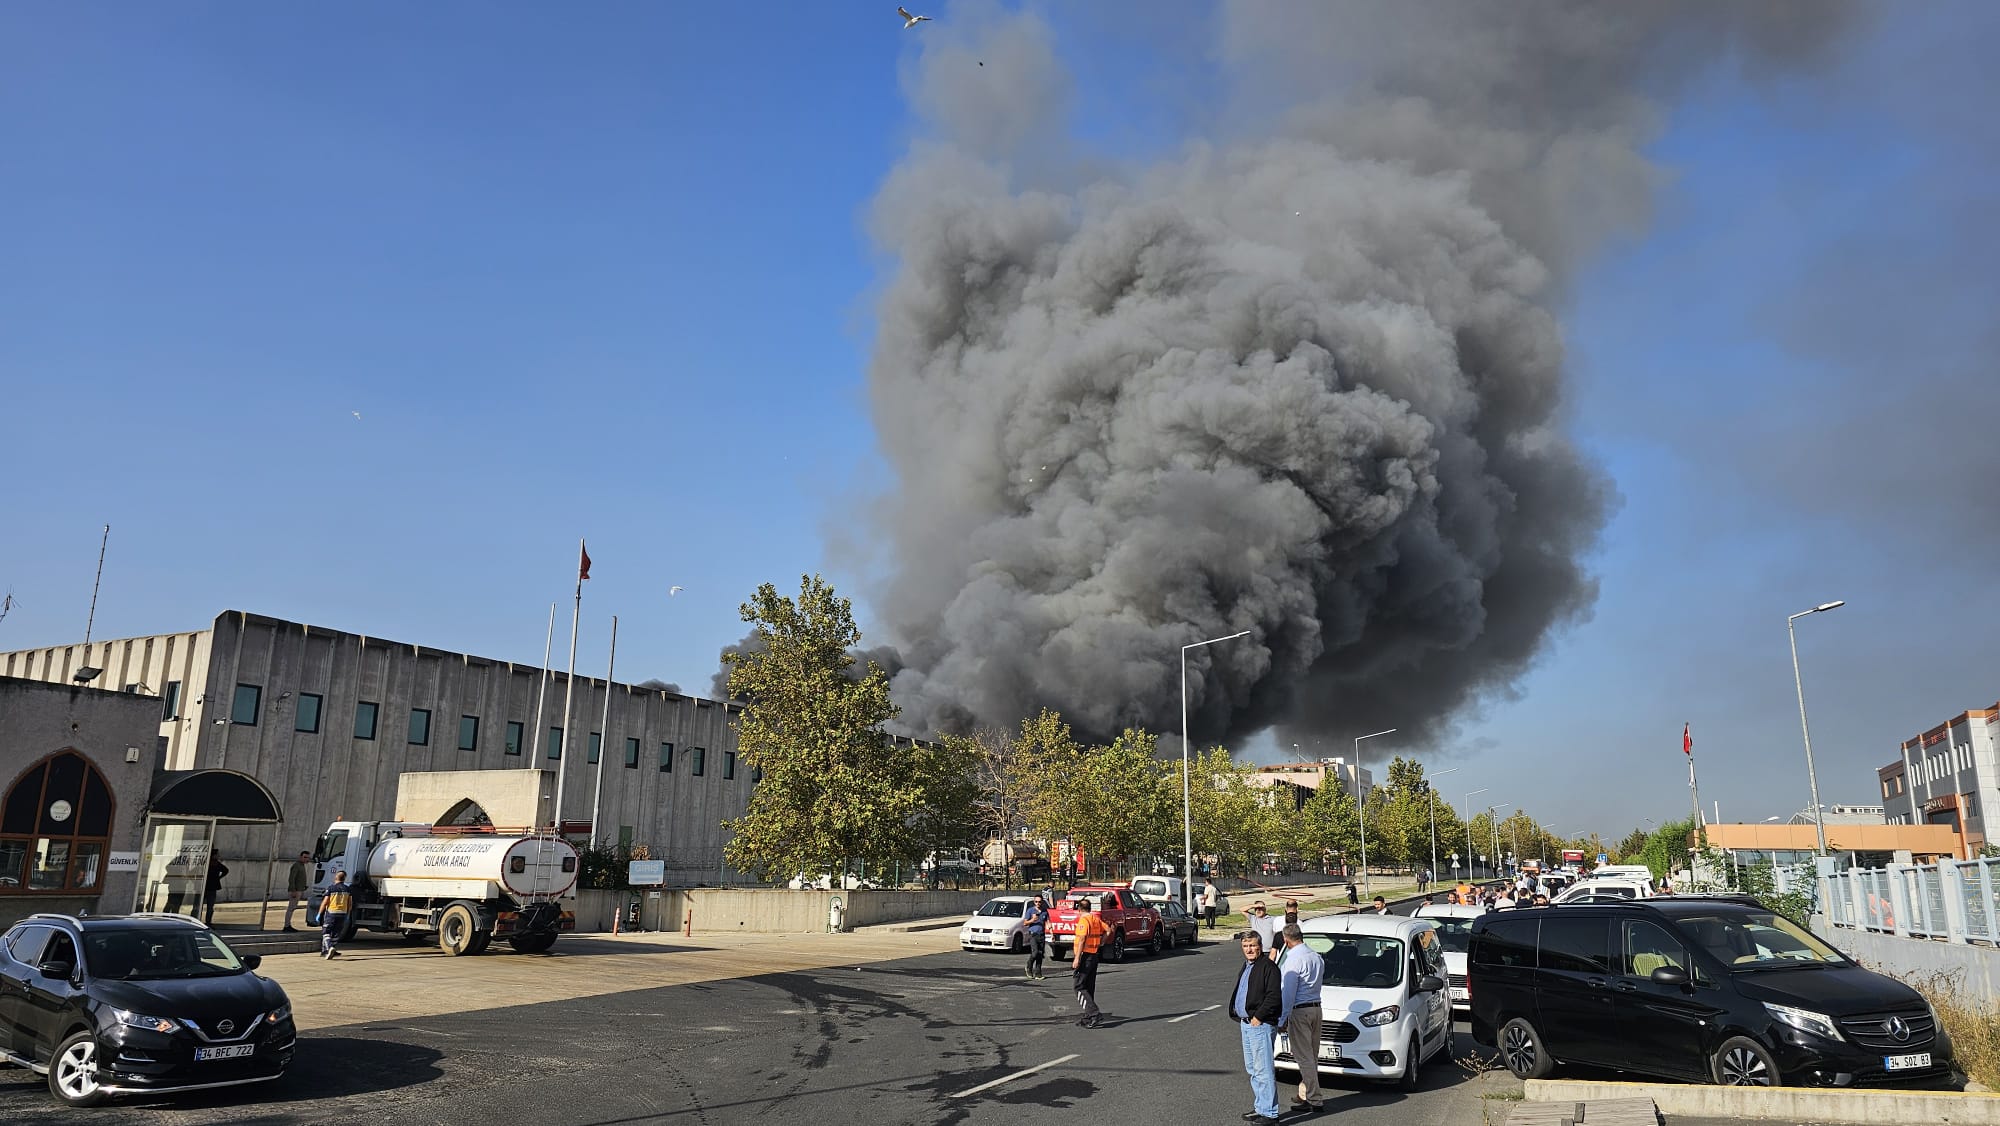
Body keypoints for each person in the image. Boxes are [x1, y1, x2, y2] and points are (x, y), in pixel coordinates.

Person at [1228, 930, 1284, 1124]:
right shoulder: (1247, 966)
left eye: (1252, 945)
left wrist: (1258, 1017)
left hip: (1259, 1024)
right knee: (1253, 1069)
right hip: (1246, 1024)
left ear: (1260, 946)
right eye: (1245, 946)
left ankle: (1270, 1113)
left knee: (1263, 1069)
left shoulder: (1268, 967)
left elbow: (1274, 997)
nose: (1249, 949)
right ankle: (1261, 1106)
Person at [1278, 923, 1325, 1113]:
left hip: (1300, 1010)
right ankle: (1305, 1093)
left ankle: (1315, 1099)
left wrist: (1283, 1018)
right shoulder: (1316, 957)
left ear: (1285, 940)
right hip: (1316, 1007)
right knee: (1311, 1055)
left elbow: (1288, 993)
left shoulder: (1292, 961)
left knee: (1303, 1057)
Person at [1071, 899, 1110, 1027]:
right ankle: (1088, 1017)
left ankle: (1094, 1014)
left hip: (1085, 956)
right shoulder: (1095, 919)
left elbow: (1082, 938)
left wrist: (1077, 958)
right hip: (1094, 955)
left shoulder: (1084, 920)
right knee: (1089, 986)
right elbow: (1108, 930)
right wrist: (1101, 943)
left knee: (1079, 986)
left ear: (1079, 909)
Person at [319, 869, 354, 959]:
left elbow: (325, 901)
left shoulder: (331, 888)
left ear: (335, 877)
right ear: (344, 878)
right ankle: (327, 951)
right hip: (342, 913)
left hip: (332, 913)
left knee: (326, 932)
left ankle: (330, 947)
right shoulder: (348, 889)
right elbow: (350, 903)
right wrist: (348, 914)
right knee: (335, 933)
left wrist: (319, 913)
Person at [282, 850, 312, 932]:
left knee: (292, 908)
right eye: (305, 857)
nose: (306, 859)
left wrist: (303, 886)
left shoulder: (302, 866)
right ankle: (286, 926)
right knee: (291, 908)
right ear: (300, 857)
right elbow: (291, 878)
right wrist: (293, 890)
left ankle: (287, 925)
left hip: (299, 889)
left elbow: (299, 878)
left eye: (308, 858)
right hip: (295, 891)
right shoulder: (296, 865)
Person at [1023, 897, 1049, 980]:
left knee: (1040, 954)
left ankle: (1038, 973)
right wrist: (1032, 920)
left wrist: (1051, 932)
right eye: (1036, 902)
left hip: (1041, 934)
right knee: (1035, 952)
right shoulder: (1030, 910)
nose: (1038, 903)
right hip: (1033, 934)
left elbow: (1047, 922)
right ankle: (1029, 966)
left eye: (1039, 902)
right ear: (1034, 902)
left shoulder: (1044, 911)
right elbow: (1025, 923)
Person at [203, 855, 229, 926]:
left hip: (209, 887)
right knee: (209, 907)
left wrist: (218, 878)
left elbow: (226, 870)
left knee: (209, 907)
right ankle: (208, 922)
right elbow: (226, 870)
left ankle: (208, 922)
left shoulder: (215, 863)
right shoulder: (213, 863)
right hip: (207, 887)